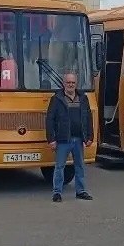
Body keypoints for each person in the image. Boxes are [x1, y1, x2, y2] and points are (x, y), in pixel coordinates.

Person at [45, 72, 94, 202]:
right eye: (68, 82)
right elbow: (50, 119)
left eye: (73, 82)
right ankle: (57, 193)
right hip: (63, 139)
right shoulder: (56, 99)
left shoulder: (83, 98)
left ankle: (81, 191)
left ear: (76, 83)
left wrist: (90, 136)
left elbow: (88, 117)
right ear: (63, 83)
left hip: (78, 139)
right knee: (60, 167)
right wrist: (51, 139)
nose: (70, 85)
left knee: (80, 166)